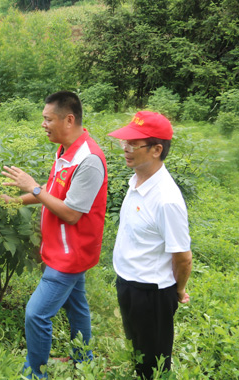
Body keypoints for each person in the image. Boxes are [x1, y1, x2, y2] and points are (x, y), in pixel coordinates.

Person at [1, 91, 107, 379]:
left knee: (36, 314)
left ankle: (35, 372)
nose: (43, 125)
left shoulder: (89, 160)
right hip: (61, 247)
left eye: (48, 119)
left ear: (69, 119)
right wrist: (16, 200)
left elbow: (72, 213)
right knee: (77, 306)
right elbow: (51, 195)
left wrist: (33, 187)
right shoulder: (64, 151)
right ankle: (84, 361)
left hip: (71, 253)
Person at [108, 111, 192, 379]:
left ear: (157, 149)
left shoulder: (167, 199)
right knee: (137, 351)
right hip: (127, 282)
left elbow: (183, 257)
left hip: (153, 293)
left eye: (134, 144)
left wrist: (178, 291)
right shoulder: (136, 180)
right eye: (124, 142)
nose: (126, 149)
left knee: (154, 364)